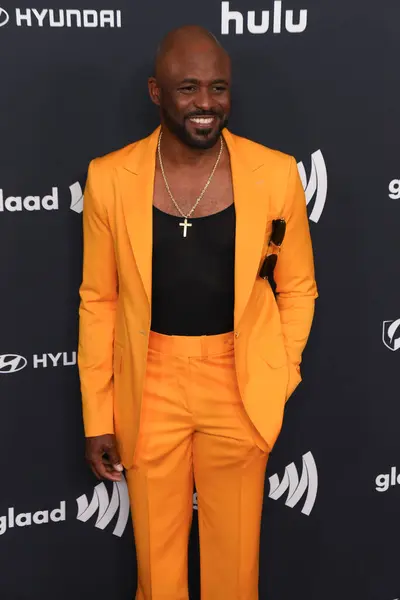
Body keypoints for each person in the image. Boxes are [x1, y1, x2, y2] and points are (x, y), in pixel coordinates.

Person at [78, 24, 318, 600]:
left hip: (240, 383)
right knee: (156, 575)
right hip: (148, 383)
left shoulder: (276, 173)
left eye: (218, 88)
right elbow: (99, 300)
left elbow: (299, 288)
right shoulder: (110, 178)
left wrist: (277, 373)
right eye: (188, 88)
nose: (206, 104)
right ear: (157, 92)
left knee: (234, 572)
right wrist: (98, 416)